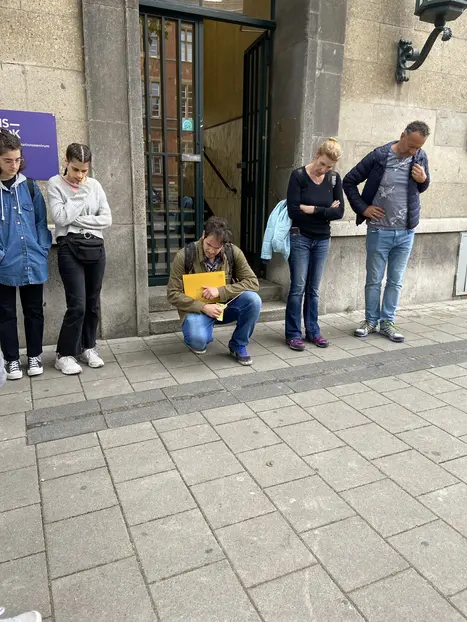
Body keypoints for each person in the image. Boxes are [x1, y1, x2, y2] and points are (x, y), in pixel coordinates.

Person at [343, 121, 430, 342]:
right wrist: (363, 208)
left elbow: (421, 187)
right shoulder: (379, 156)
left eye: (418, 147)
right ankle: (370, 321)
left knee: (395, 281)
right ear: (402, 135)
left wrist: (424, 180)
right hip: (379, 230)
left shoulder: (420, 157)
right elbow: (349, 181)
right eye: (411, 145)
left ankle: (387, 322)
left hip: (406, 232)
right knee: (374, 280)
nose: (413, 151)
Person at [47, 143, 112, 375]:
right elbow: (60, 218)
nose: (80, 175)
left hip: (95, 247)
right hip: (69, 249)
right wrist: (81, 194)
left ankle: (88, 347)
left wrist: (76, 221)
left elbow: (106, 219)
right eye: (75, 169)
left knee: (93, 303)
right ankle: (64, 354)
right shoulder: (55, 184)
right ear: (66, 161)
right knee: (77, 305)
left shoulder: (95, 185)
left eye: (84, 170)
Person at [167, 216, 261, 366]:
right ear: (203, 235)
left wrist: (221, 291)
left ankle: (238, 344)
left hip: (224, 307)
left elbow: (253, 282)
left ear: (224, 244)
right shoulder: (185, 255)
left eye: (217, 248)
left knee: (253, 300)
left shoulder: (233, 252)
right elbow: (172, 294)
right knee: (198, 342)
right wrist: (203, 307)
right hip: (197, 310)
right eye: (208, 245)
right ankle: (201, 332)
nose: (211, 251)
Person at [0, 129, 52, 380]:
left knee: (34, 310)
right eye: (7, 160)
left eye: (17, 159)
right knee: (5, 313)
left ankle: (34, 355)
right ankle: (11, 358)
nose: (14, 165)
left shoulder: (30, 187)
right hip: (4, 262)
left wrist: (42, 249)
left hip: (32, 258)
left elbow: (41, 222)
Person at [285, 137, 344, 351]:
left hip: (322, 239)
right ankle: (293, 334)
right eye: (322, 164)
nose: (323, 170)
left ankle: (313, 331)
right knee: (298, 287)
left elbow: (339, 212)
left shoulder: (334, 179)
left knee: (314, 289)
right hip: (300, 237)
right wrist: (326, 211)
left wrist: (312, 209)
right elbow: (293, 211)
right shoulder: (298, 176)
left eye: (329, 167)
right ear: (316, 155)